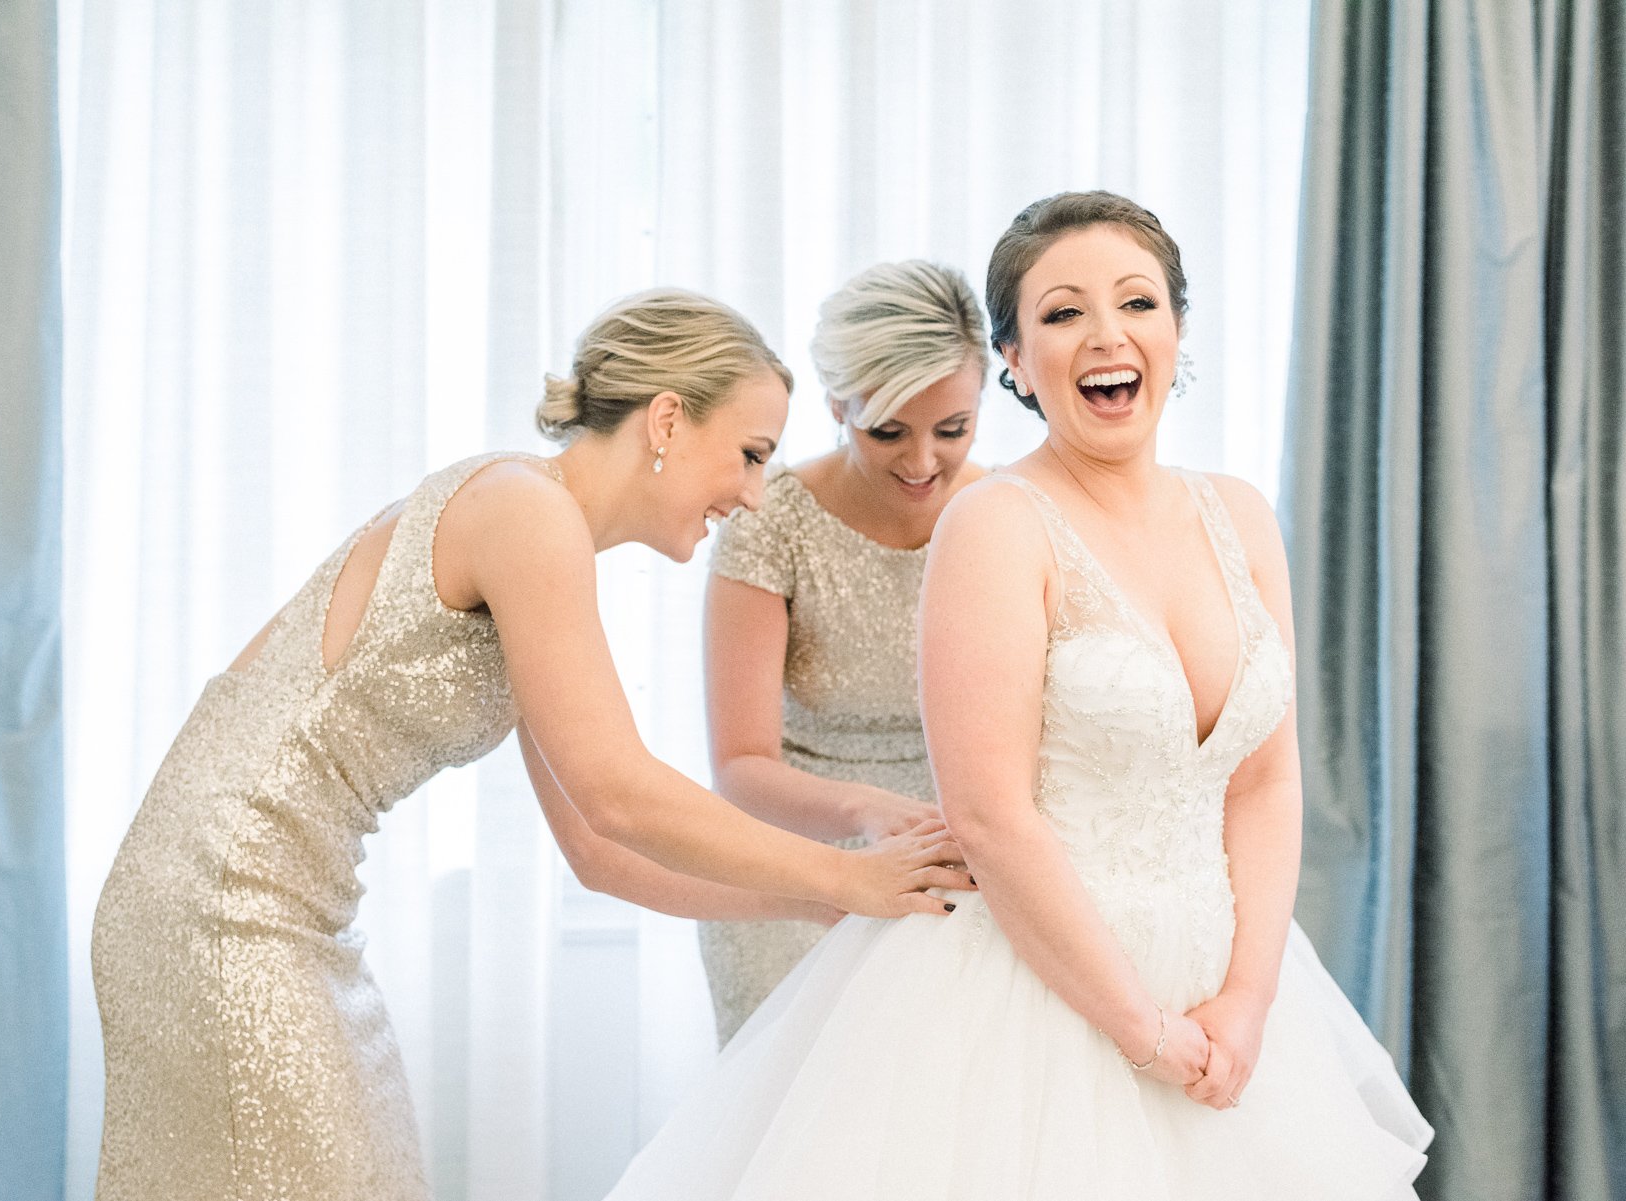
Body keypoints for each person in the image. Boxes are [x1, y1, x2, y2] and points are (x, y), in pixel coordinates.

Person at [604, 195, 1433, 1199]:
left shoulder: (1243, 517)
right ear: (1014, 358)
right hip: (1037, 982)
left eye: (1136, 301)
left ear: (1178, 328)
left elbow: (1264, 780)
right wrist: (1139, 1027)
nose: (1105, 334)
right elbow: (992, 815)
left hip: (1223, 979)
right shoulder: (995, 523)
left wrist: (1248, 999)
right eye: (1061, 313)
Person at [89, 288, 975, 1201]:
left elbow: (598, 852)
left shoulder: (531, 528)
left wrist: (812, 904)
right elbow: (617, 791)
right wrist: (841, 874)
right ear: (667, 418)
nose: (753, 495)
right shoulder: (524, 510)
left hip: (282, 905)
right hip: (220, 898)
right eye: (749, 455)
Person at [697, 260, 988, 1043]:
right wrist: (865, 812)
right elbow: (741, 764)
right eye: (887, 430)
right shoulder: (772, 523)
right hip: (795, 877)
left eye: (952, 430)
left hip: (965, 871)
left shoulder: (1007, 517)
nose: (922, 462)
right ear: (836, 404)